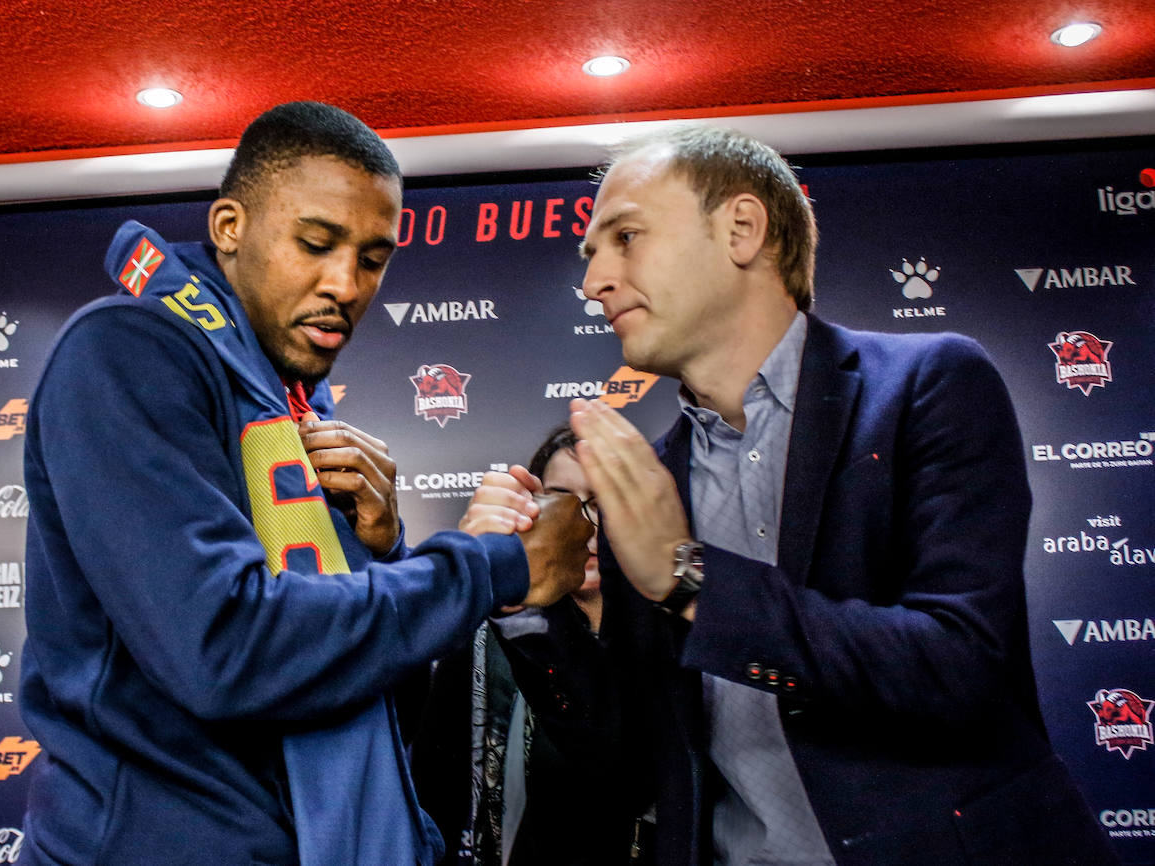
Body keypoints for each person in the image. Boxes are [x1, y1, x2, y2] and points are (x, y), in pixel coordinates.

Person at [471, 124, 1118, 865]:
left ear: (741, 229)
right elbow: (632, 767)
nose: (593, 283)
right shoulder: (647, 480)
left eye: (625, 237)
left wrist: (691, 580)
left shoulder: (928, 385)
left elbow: (958, 667)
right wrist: (528, 606)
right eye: (592, 255)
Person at [17, 101, 591, 866]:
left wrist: (382, 553)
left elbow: (352, 684)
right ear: (229, 226)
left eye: (374, 257)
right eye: (315, 244)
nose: (346, 284)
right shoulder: (126, 351)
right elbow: (225, 650)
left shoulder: (287, 393)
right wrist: (495, 566)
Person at [413, 424, 644, 866]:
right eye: (564, 503)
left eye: (604, 503)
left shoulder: (670, 640)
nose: (586, 526)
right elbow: (435, 785)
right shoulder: (490, 636)